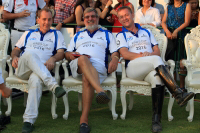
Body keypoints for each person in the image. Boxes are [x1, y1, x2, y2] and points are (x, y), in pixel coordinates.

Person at [116, 6, 194, 133]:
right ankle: (177, 93)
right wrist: (143, 55)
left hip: (150, 64)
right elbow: (125, 54)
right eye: (121, 17)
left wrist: (150, 55)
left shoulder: (146, 32)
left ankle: (156, 120)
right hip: (134, 68)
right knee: (156, 60)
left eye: (126, 15)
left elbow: (156, 51)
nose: (125, 18)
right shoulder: (121, 35)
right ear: (119, 20)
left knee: (158, 78)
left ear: (132, 14)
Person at [11, 8, 66, 133]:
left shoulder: (57, 34)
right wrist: (14, 56)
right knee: (30, 54)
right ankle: (53, 86)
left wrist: (53, 58)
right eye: (44, 19)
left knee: (36, 80)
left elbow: (61, 53)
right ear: (38, 20)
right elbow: (16, 49)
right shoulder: (28, 33)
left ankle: (28, 121)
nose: (46, 22)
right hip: (23, 69)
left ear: (52, 20)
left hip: (41, 71)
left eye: (49, 19)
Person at [65, 7, 119, 133]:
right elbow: (67, 53)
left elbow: (115, 52)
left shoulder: (107, 34)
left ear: (97, 18)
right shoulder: (78, 34)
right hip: (77, 65)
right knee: (83, 59)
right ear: (84, 19)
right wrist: (70, 56)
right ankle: (100, 90)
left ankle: (84, 121)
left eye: (92, 16)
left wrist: (115, 59)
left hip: (99, 67)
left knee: (87, 78)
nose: (90, 19)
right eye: (87, 17)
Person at [162, 0, 191, 90]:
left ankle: (182, 86)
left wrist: (176, 31)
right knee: (171, 60)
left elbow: (187, 22)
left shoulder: (186, 5)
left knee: (181, 60)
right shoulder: (169, 7)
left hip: (181, 36)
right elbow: (163, 22)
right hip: (170, 36)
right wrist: (167, 31)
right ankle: (173, 86)